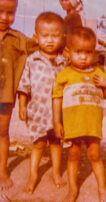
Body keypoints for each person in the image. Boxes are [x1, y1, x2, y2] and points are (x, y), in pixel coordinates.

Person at [52, 27, 106, 202]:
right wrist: (57, 122)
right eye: (79, 52)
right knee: (73, 156)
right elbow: (56, 98)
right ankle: (72, 190)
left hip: (92, 125)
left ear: (93, 53)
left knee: (94, 156)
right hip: (73, 125)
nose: (84, 56)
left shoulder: (98, 74)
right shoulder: (65, 75)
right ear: (68, 52)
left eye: (88, 52)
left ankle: (102, 189)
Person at [17, 11, 66, 194]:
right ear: (36, 37)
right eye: (45, 36)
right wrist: (22, 105)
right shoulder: (32, 60)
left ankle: (55, 172)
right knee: (38, 144)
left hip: (56, 114)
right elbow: (24, 85)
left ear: (62, 38)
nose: (50, 40)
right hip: (37, 111)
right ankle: (33, 175)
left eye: (55, 36)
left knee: (55, 143)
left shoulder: (63, 62)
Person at [0, 0, 37, 190]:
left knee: (2, 133)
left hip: (5, 96)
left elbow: (41, 45)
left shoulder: (17, 38)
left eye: (10, 13)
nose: (4, 18)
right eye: (0, 11)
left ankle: (2, 171)